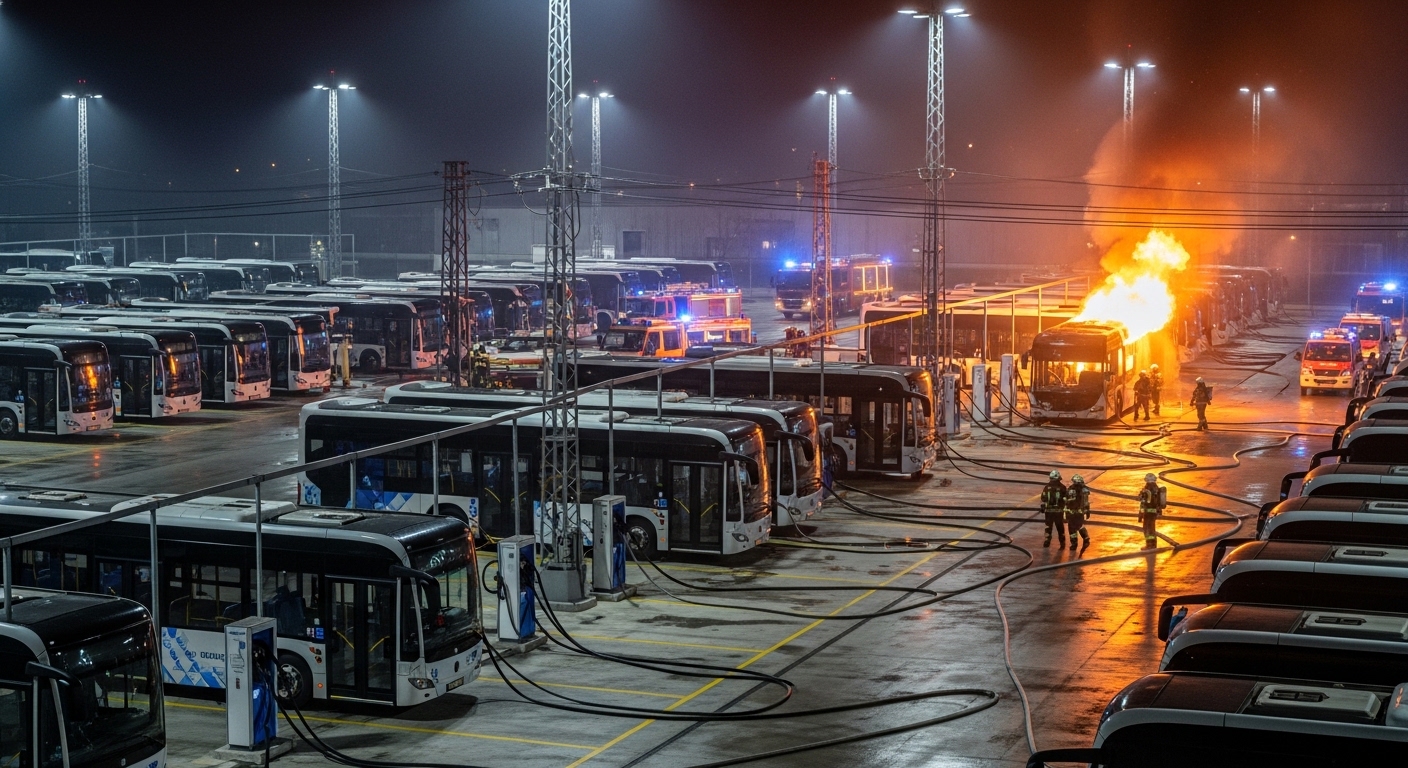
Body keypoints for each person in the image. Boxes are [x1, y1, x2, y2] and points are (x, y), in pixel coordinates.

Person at [1137, 472, 1166, 549]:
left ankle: (1149, 545)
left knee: (1147, 529)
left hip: (1148, 512)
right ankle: (1153, 544)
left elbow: (1143, 502)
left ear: (1146, 480)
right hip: (1154, 512)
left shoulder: (1147, 489)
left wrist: (1140, 514)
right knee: (1152, 528)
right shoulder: (1157, 489)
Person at [1040, 470, 1067, 549]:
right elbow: (1066, 499)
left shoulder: (1046, 487)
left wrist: (1043, 506)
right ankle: (1062, 543)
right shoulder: (1062, 487)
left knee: (1048, 527)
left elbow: (1043, 498)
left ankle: (1047, 540)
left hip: (1049, 512)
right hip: (1058, 512)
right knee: (1060, 528)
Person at [1065, 474, 1092, 550]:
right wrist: (1087, 511)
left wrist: (1066, 512)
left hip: (1072, 512)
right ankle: (1085, 537)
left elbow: (1067, 502)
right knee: (1079, 526)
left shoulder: (1070, 490)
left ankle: (1074, 544)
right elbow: (1086, 502)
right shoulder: (1084, 490)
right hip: (1079, 512)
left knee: (1072, 528)